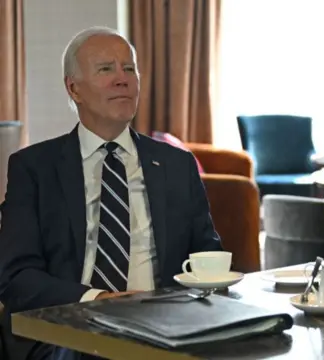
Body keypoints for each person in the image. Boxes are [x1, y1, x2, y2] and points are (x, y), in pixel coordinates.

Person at [0, 26, 224, 359]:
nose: (123, 79)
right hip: (70, 329)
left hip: (166, 327)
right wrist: (100, 300)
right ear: (73, 88)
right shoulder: (34, 168)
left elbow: (206, 253)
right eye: (106, 69)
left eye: (129, 68)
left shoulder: (177, 164)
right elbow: (17, 277)